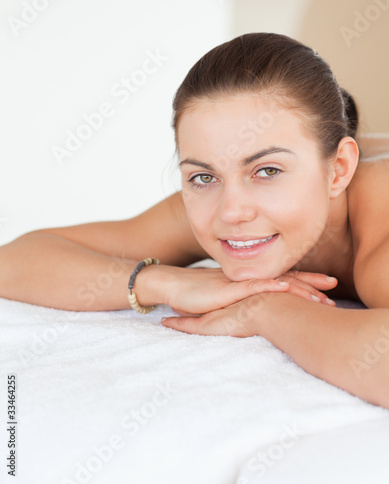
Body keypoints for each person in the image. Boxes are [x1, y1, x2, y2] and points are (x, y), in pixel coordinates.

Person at [1, 33, 388, 409]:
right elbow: (12, 262)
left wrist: (265, 308)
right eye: (204, 176)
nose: (231, 212)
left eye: (267, 170)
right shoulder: (219, 207)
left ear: (338, 170)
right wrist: (165, 282)